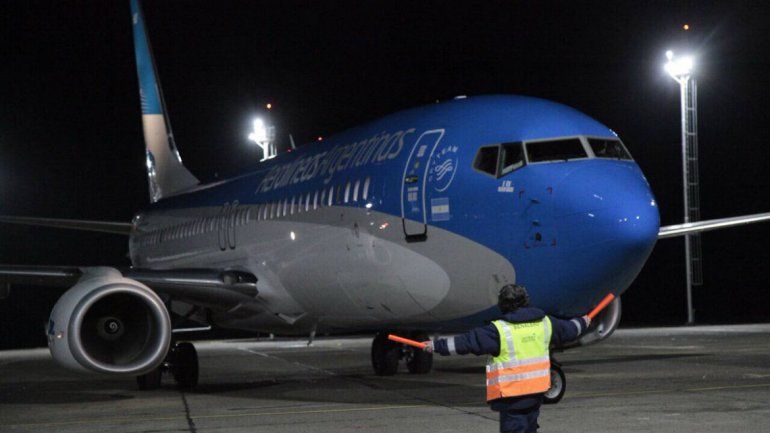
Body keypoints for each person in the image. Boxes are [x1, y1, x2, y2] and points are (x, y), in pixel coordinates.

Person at [424, 284, 591, 433]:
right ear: (526, 301)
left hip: (512, 397)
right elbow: (570, 329)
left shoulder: (498, 330)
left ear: (503, 305)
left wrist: (436, 346)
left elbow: (466, 342)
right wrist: (584, 321)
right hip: (535, 394)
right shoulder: (545, 323)